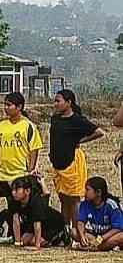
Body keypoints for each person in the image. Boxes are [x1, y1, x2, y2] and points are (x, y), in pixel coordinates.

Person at [0, 92, 43, 241]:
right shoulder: (0, 126)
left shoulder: (28, 126)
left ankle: (30, 234)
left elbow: (34, 149)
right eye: (5, 104)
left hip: (21, 173)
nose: (6, 108)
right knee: (12, 206)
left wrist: (30, 170)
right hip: (5, 173)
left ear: (19, 107)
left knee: (26, 206)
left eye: (9, 105)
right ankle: (14, 235)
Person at [49, 89, 106, 230]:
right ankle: (65, 231)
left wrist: (81, 140)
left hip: (72, 163)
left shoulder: (77, 120)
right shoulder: (55, 119)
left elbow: (99, 132)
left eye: (58, 101)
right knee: (63, 198)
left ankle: (77, 231)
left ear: (69, 103)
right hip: (58, 164)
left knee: (74, 199)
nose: (55, 104)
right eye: (55, 101)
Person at [12, 176, 69, 250]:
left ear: (27, 191)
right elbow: (15, 220)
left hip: (52, 225)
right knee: (24, 241)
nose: (13, 193)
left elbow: (37, 225)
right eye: (13, 190)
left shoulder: (36, 202)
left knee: (33, 242)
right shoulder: (15, 201)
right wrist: (17, 243)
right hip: (37, 225)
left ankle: (60, 236)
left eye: (17, 190)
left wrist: (37, 245)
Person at [74, 176, 123, 252]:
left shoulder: (111, 205)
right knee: (74, 232)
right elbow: (80, 222)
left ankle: (96, 248)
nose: (85, 193)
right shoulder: (85, 204)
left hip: (109, 236)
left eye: (87, 190)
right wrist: (82, 236)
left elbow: (117, 228)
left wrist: (102, 238)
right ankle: (100, 246)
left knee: (121, 236)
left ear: (98, 192)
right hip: (94, 236)